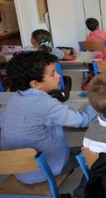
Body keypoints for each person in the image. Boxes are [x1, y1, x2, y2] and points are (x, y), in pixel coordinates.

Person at [0, 51, 97, 184]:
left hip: (19, 170)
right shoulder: (45, 105)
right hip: (45, 170)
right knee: (98, 152)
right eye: (52, 74)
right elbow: (82, 120)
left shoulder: (13, 100)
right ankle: (82, 191)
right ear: (35, 84)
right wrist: (96, 101)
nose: (59, 76)